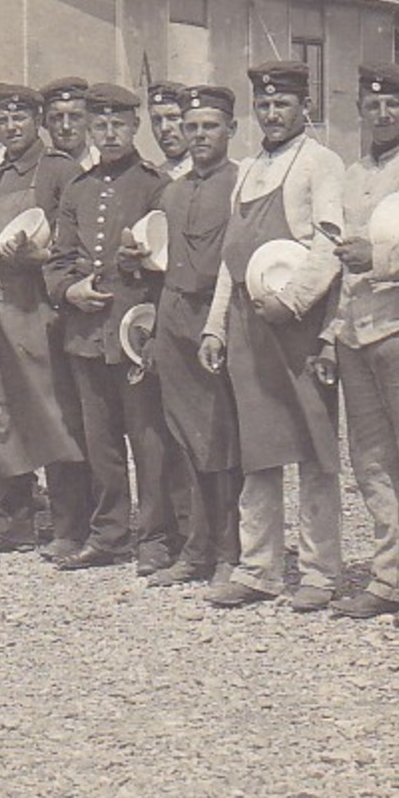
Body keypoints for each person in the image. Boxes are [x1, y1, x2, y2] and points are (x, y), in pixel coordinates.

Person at [199, 60, 345, 612]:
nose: (273, 113)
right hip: (245, 322)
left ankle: (319, 571)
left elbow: (331, 245)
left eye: (283, 103)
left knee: (312, 449)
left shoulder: (321, 165)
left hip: (296, 324)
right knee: (259, 450)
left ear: (305, 106)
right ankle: (259, 567)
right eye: (263, 104)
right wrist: (216, 325)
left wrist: (293, 303)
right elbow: (230, 258)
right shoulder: (249, 169)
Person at [318, 63, 399, 627]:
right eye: (373, 106)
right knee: (369, 461)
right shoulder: (351, 175)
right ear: (361, 113)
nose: (383, 114)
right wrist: (330, 335)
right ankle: (387, 575)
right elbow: (340, 261)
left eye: (394, 104)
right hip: (355, 332)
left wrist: (384, 262)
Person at [44, 83, 175, 573]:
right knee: (100, 442)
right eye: (100, 125)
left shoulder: (154, 184)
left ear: (135, 126)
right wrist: (69, 290)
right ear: (89, 129)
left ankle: (156, 538)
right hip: (85, 335)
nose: (110, 133)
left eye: (119, 123)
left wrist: (144, 265)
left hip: (134, 332)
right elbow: (57, 262)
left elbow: (170, 260)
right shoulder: (79, 188)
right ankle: (110, 534)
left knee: (147, 440)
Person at [0, 84, 87, 555]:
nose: (11, 128)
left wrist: (40, 254)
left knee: (53, 417)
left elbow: (75, 247)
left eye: (20, 119)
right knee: (2, 417)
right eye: (3, 120)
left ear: (38, 122)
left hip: (38, 313)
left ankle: (72, 527)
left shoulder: (58, 172)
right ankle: (11, 522)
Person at [143, 84, 242, 587]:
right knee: (183, 435)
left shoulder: (241, 185)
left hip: (216, 318)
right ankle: (196, 547)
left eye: (209, 126)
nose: (199, 135)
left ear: (230, 130)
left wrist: (217, 327)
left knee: (220, 439)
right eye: (191, 127)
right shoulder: (173, 191)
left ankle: (229, 550)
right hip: (173, 313)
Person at [41, 77, 94, 171]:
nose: (66, 126)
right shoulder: (38, 170)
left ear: (89, 120)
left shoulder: (103, 164)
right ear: (44, 122)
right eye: (58, 117)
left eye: (75, 117)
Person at [147, 81, 192, 180]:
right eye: (157, 120)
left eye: (173, 118)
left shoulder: (209, 175)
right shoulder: (153, 178)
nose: (164, 128)